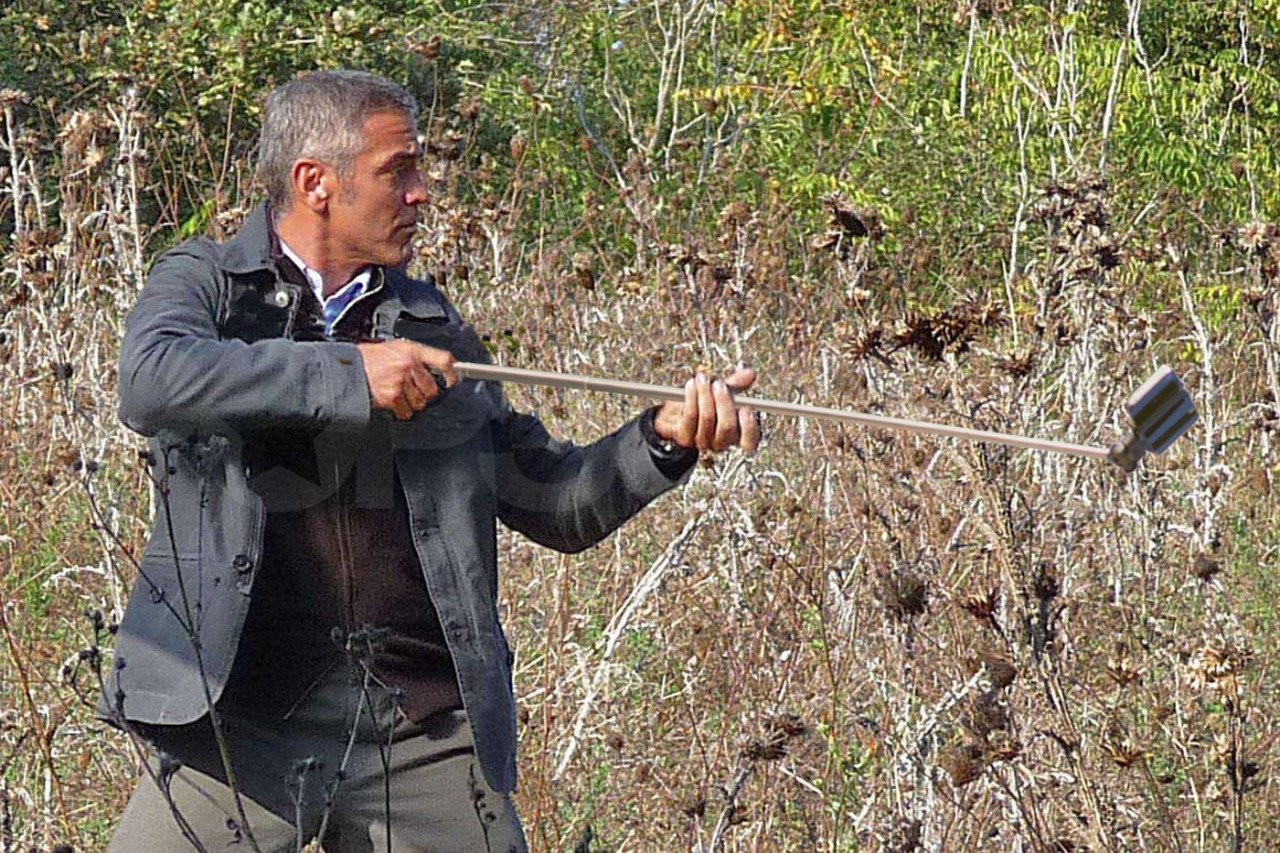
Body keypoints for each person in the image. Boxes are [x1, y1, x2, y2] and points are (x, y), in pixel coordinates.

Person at [105, 69, 760, 851]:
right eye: (398, 171)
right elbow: (148, 382)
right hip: (239, 724)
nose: (421, 193)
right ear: (315, 181)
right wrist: (350, 375)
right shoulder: (207, 284)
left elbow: (553, 502)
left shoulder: (432, 326)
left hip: (421, 729)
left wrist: (664, 436)